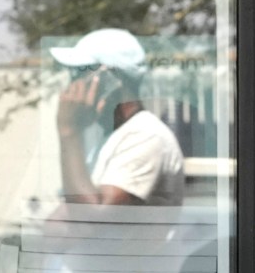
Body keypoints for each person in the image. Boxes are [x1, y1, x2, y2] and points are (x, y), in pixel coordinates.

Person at [52, 27, 186, 208]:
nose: (73, 83)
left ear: (109, 79)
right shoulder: (105, 134)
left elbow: (92, 221)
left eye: (80, 72)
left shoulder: (146, 136)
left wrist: (68, 130)